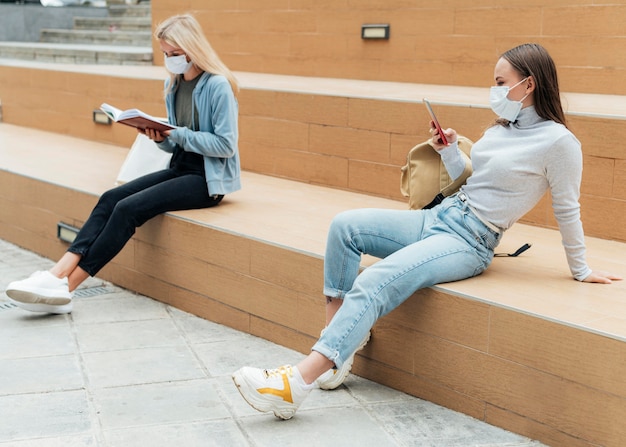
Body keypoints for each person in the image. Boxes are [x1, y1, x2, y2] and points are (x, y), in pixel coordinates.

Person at [231, 43, 622, 420]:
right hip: (441, 216)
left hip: (470, 239)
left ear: (529, 83)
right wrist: (449, 152)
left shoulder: (559, 142)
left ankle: (296, 385)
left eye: (501, 82)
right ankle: (339, 350)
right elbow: (476, 181)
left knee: (376, 279)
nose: (496, 89)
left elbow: (567, 208)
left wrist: (581, 268)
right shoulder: (504, 128)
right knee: (345, 226)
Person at [5, 14, 240, 314]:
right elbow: (174, 143)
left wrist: (176, 133)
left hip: (208, 179)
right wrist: (158, 136)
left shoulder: (218, 86)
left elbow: (225, 145)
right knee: (111, 198)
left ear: (192, 48)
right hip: (180, 168)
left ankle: (67, 287)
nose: (170, 60)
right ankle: (56, 274)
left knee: (127, 209)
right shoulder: (174, 85)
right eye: (165, 54)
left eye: (174, 54)